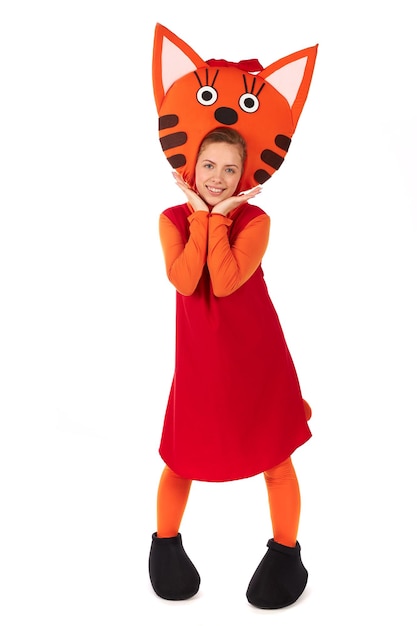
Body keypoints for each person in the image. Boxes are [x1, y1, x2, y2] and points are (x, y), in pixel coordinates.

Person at [148, 127, 312, 609]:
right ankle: (164, 548)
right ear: (190, 168)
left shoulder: (256, 220)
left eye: (230, 169)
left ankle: (285, 555)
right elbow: (183, 279)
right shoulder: (171, 219)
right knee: (181, 458)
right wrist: (202, 217)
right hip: (200, 359)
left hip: (256, 357)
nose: (217, 177)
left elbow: (223, 282)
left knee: (275, 457)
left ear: (245, 176)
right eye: (209, 166)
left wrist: (218, 217)